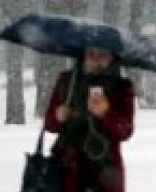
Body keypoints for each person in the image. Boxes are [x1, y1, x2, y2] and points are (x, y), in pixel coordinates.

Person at [44, 47, 135, 192]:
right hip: (67, 170)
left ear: (113, 58)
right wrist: (58, 116)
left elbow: (125, 131)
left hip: (105, 170)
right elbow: (49, 124)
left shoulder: (122, 87)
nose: (95, 60)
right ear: (83, 56)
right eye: (91, 54)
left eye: (103, 55)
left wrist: (106, 113)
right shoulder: (67, 81)